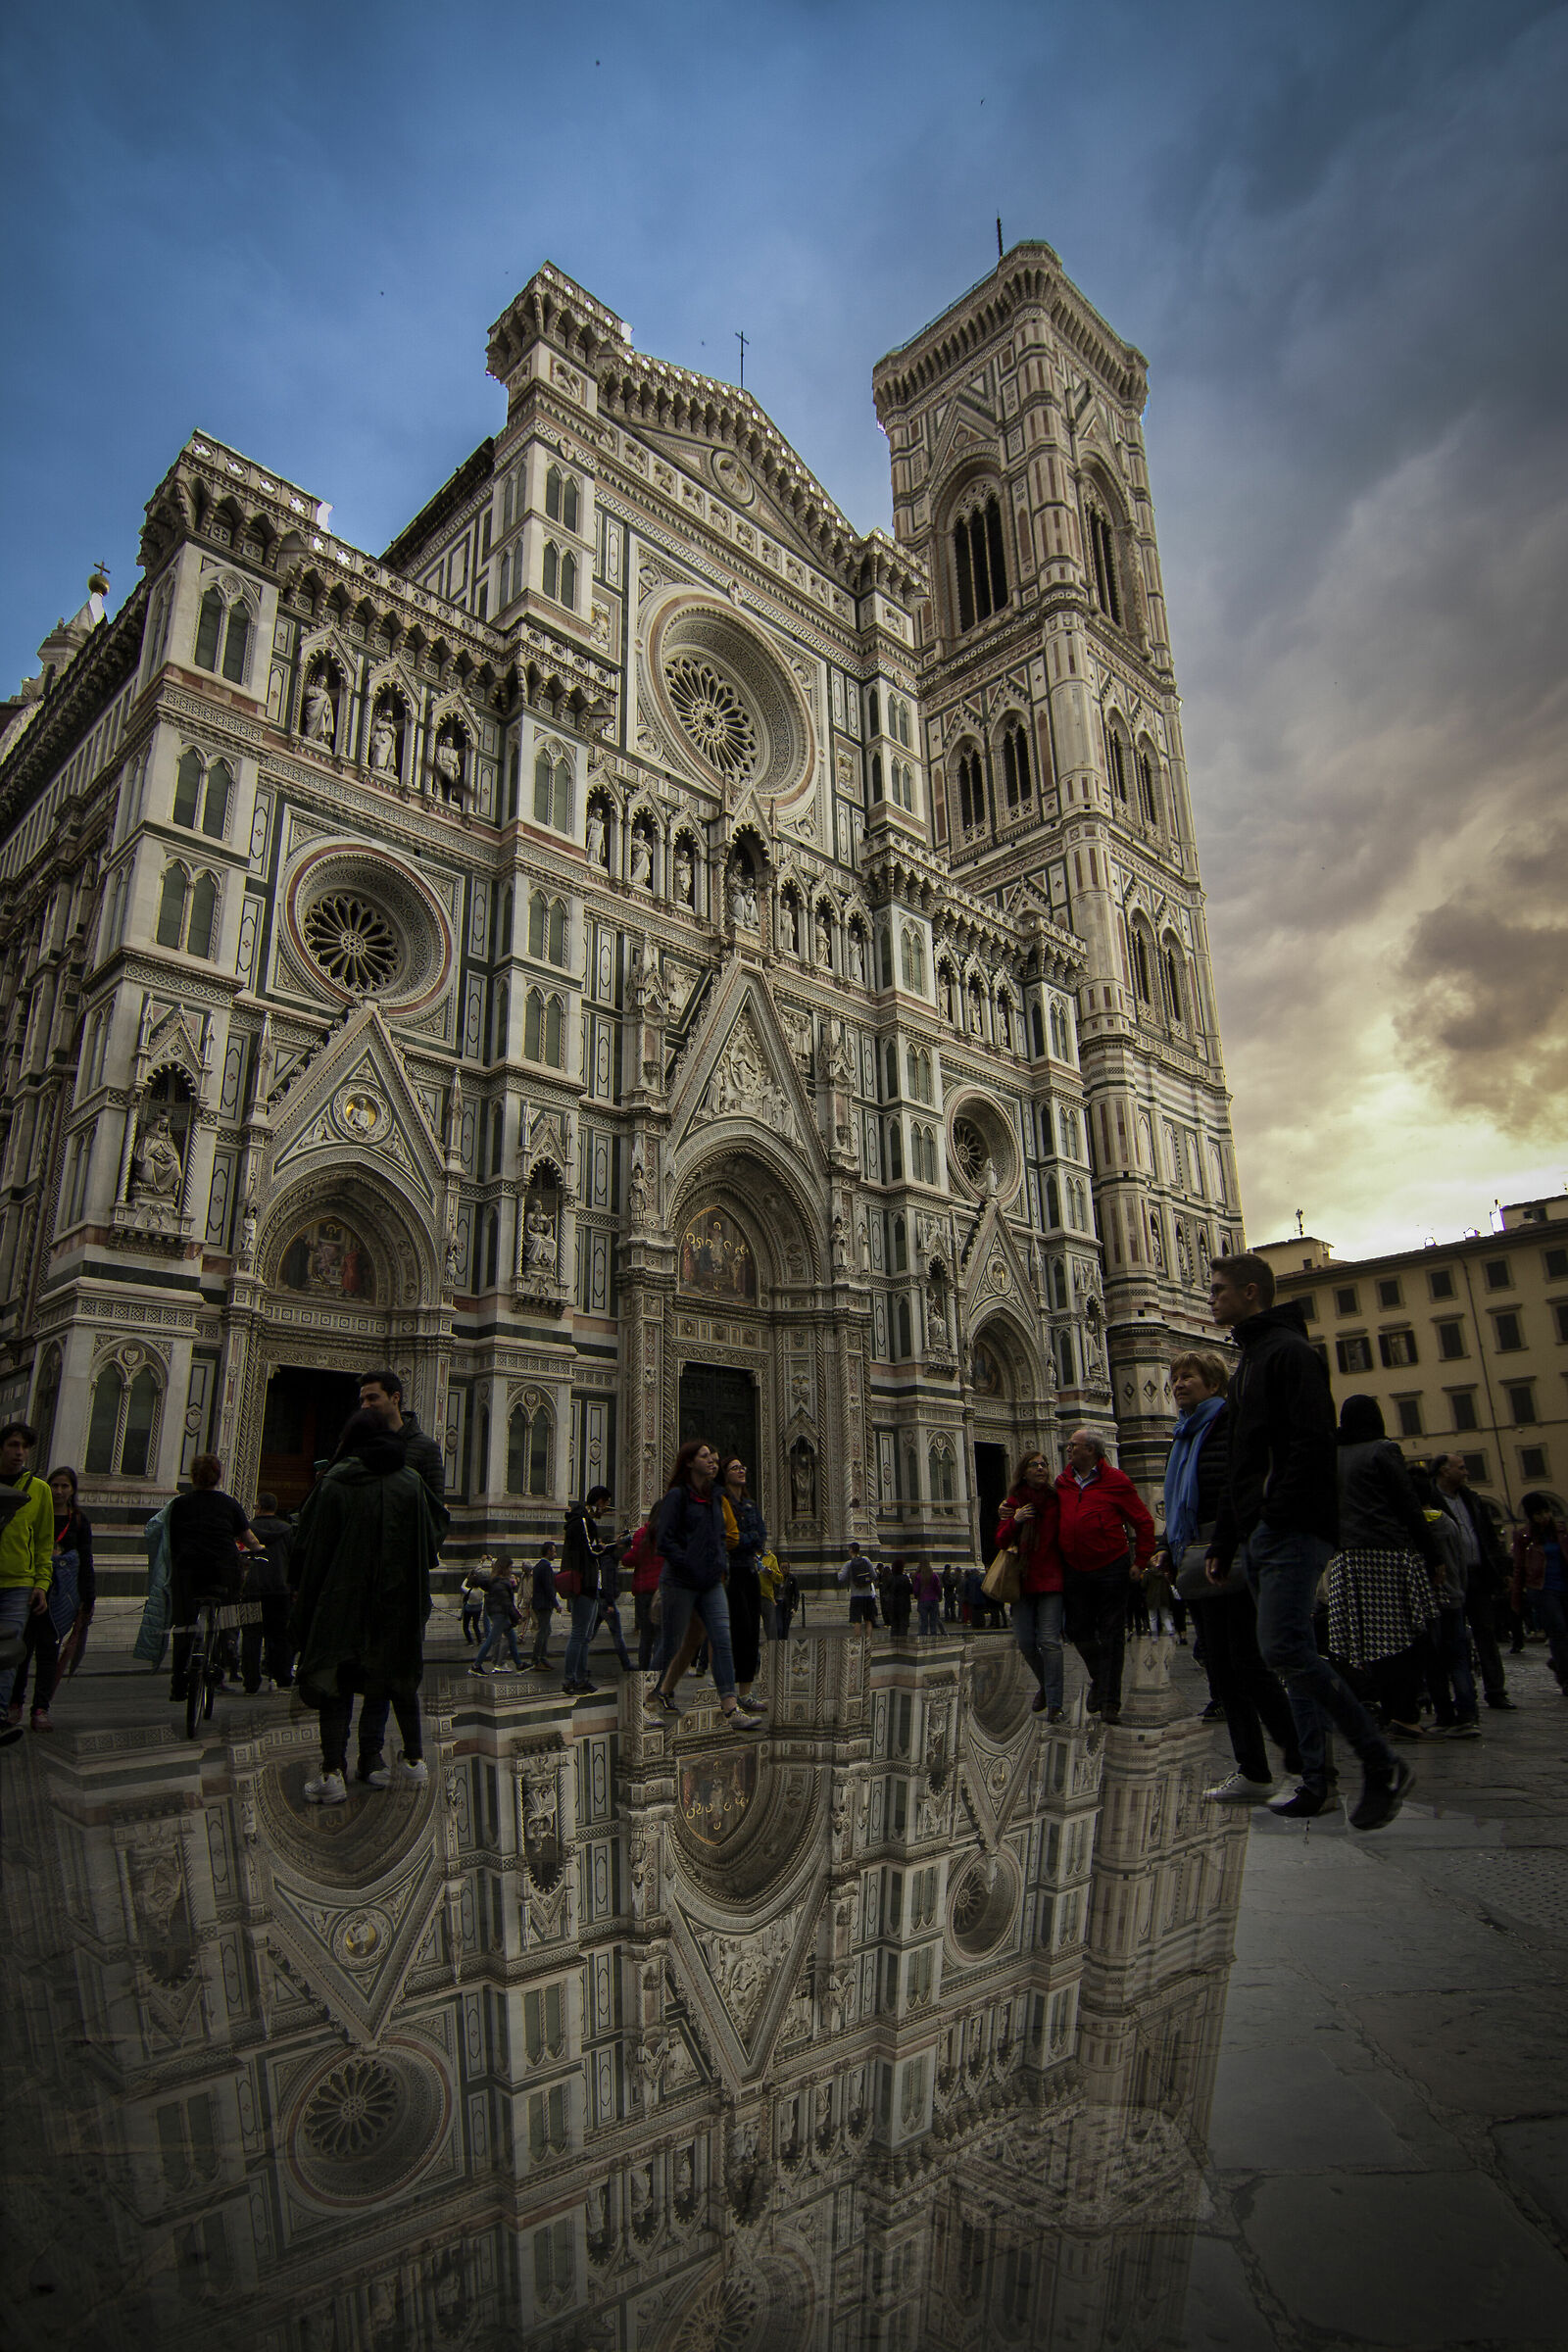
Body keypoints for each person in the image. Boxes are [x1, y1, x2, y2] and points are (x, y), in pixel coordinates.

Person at [1207, 1252, 1412, 1830]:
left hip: (1291, 1528)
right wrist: (1227, 1537)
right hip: (1263, 1530)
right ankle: (1317, 1782)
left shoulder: (1290, 1354)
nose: (1212, 1297)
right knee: (1292, 1656)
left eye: (1220, 1289)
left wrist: (1274, 1516)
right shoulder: (1249, 1360)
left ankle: (1380, 1763)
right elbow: (1242, 1463)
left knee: (1285, 1650)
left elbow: (1310, 1444)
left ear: (1252, 1293)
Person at [1162, 1351, 1300, 1802]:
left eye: (1189, 1377)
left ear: (1214, 1383)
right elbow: (1183, 1503)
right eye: (1175, 1378)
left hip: (1229, 1557)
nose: (1180, 1384)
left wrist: (1221, 1545)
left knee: (1249, 1665)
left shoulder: (1223, 1424)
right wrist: (1167, 1548)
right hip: (1199, 1559)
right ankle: (1253, 1770)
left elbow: (1230, 1492)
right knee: (1222, 1669)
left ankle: (1301, 1763)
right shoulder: (1184, 1433)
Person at [290, 1408, 447, 1801]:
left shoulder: (337, 1481)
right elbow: (433, 1536)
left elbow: (311, 1549)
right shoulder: (410, 1482)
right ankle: (410, 1763)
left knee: (338, 1685)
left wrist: (304, 1609)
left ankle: (332, 1774)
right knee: (393, 1676)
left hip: (342, 1602)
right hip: (397, 1603)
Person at [1325, 1398, 1446, 1741]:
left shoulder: (1332, 1455)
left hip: (1348, 1559)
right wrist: (1432, 1555)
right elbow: (1407, 1503)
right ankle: (1405, 1715)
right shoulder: (1382, 1450)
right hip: (1389, 1555)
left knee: (1365, 1642)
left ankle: (1383, 1708)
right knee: (1406, 1640)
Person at [643, 1441, 758, 1729]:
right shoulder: (676, 1497)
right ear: (689, 1463)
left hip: (712, 1581)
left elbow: (723, 1536)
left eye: (714, 1458)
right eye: (704, 1456)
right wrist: (689, 1562)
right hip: (681, 1581)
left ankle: (731, 1709)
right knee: (672, 1644)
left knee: (721, 1640)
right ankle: (646, 1701)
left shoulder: (717, 1498)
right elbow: (664, 1541)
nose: (712, 1461)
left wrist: (717, 1563)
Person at [1055, 1429, 1155, 1724]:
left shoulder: (1117, 1481)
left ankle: (1111, 1702)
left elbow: (1144, 1522)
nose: (1069, 1448)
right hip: (1075, 1567)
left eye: (1075, 1445)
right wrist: (1009, 1508)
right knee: (1076, 1629)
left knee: (1112, 1634)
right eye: (1070, 1445)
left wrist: (1140, 1560)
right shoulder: (1063, 1482)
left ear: (1093, 1451)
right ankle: (1101, 1679)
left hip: (1111, 1566)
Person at [168, 1455, 267, 1702]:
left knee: (183, 1625)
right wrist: (260, 1551)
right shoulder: (229, 1504)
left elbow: (173, 1540)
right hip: (222, 1569)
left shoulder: (180, 1504)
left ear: (192, 1476)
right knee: (230, 1610)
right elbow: (248, 1538)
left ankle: (178, 1681)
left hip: (188, 1570)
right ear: (218, 1476)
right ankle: (229, 1652)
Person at [8, 1463, 94, 1733]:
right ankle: (14, 1704)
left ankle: (41, 1708)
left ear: (72, 1490)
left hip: (61, 1598)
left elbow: (85, 1561)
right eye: (54, 1485)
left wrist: (87, 1599)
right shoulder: (37, 1511)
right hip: (31, 1588)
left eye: (64, 1486)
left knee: (48, 1652)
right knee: (21, 1651)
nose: (58, 1491)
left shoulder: (78, 1520)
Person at [1432, 1454, 1514, 1709]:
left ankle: (1495, 1690)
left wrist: (1502, 1570)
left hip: (1477, 1574)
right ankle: (1464, 1693)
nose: (1467, 1472)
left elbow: (1488, 1535)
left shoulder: (1472, 1499)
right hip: (1449, 1577)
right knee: (1453, 1637)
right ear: (1445, 1471)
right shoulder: (1431, 1502)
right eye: (1461, 1468)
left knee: (1486, 1632)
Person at [995, 1450, 1066, 1718]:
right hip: (1021, 1582)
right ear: (1023, 1472)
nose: (1040, 1468)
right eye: (1034, 1465)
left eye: (1043, 1464)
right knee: (1025, 1643)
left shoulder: (1057, 1500)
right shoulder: (1015, 1503)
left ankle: (1056, 1704)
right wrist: (1015, 1519)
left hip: (1051, 1579)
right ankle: (1047, 1687)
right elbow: (1001, 1540)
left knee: (1049, 1641)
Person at [0, 1425, 55, 1709]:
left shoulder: (39, 1489)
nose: (19, 1452)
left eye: (24, 1447)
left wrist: (41, 1584)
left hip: (18, 1585)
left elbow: (45, 1542)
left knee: (7, 1654)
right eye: (13, 1445)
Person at [717, 1455, 768, 1711]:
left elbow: (760, 1538)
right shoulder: (721, 1503)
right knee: (732, 1634)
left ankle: (745, 1693)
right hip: (728, 1575)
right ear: (724, 1474)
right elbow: (723, 1538)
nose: (741, 1470)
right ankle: (728, 1693)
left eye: (742, 1466)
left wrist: (740, 1539)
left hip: (749, 1572)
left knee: (750, 1633)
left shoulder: (750, 1505)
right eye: (735, 1467)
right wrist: (742, 1539)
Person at [351, 1370, 446, 1502]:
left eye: (372, 1398)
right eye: (362, 1400)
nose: (365, 1406)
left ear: (395, 1398)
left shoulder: (426, 1448)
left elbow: (434, 1506)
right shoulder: (359, 1444)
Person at [1511, 1493, 1568, 1691]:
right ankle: (1565, 1678)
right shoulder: (1524, 1537)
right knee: (1559, 1632)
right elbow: (1518, 1568)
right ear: (1531, 1516)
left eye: (1547, 1512)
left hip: (1564, 1585)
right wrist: (1517, 1598)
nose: (1544, 1517)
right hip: (1542, 1589)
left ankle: (1559, 1663)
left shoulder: (1561, 1531)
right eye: (1539, 1514)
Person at [241, 1491, 296, 1692]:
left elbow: (240, 1558)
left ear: (259, 1507)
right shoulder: (287, 1530)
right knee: (280, 1635)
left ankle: (251, 1680)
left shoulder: (247, 1529)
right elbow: (294, 1558)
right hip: (280, 1591)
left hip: (252, 1591)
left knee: (251, 1635)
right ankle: (282, 1676)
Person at [561, 1487, 612, 1696]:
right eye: (606, 1504)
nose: (606, 1509)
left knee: (585, 1636)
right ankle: (569, 1679)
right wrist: (606, 1546)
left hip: (590, 1585)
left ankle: (580, 1678)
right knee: (579, 1633)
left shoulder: (584, 1521)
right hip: (583, 1584)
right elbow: (590, 1550)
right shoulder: (581, 1520)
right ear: (599, 1501)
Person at [472, 1556, 524, 1673]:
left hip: (499, 1613)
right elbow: (507, 1603)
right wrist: (517, 1617)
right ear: (504, 1568)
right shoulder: (500, 1583)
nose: (511, 1570)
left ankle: (519, 1664)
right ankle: (476, 1666)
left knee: (511, 1637)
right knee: (491, 1639)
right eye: (510, 1567)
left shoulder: (496, 1581)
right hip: (500, 1614)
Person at [529, 1542, 559, 1669]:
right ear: (548, 1552)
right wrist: (556, 1604)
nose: (555, 1554)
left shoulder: (538, 1566)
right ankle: (537, 1659)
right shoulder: (546, 1567)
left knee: (546, 1630)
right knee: (543, 1631)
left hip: (539, 1603)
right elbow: (548, 1588)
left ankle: (542, 1657)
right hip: (544, 1604)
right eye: (554, 1551)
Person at [838, 1545, 878, 1628]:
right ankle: (869, 1640)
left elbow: (841, 1578)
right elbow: (874, 1576)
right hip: (867, 1596)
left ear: (851, 1550)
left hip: (856, 1596)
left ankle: (857, 1640)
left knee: (857, 1621)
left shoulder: (849, 1563)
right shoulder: (866, 1560)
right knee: (869, 1620)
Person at [460, 1558, 490, 1645]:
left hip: (469, 1609)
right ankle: (479, 1640)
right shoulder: (482, 1591)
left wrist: (467, 1578)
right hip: (478, 1609)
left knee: (465, 1626)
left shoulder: (470, 1592)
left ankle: (470, 1641)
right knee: (475, 1625)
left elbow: (462, 1587)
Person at [914, 1561, 943, 1637]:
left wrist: (916, 1596)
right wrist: (940, 1597)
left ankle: (924, 1636)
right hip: (933, 1600)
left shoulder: (918, 1577)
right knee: (933, 1621)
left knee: (924, 1622)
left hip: (923, 1600)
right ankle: (933, 1636)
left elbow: (916, 1589)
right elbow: (938, 1588)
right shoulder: (934, 1576)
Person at [887, 1559, 913, 1639]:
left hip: (893, 1605)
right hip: (904, 1606)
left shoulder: (890, 1578)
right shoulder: (905, 1578)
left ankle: (893, 1644)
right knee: (903, 1627)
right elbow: (910, 1590)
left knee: (894, 1627)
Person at [776, 1565, 802, 1640]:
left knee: (785, 1629)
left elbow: (796, 1594)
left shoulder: (792, 1578)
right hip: (777, 1605)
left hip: (788, 1606)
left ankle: (783, 1645)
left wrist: (794, 1608)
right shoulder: (775, 1577)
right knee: (779, 1627)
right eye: (782, 1568)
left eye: (786, 1568)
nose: (784, 1570)